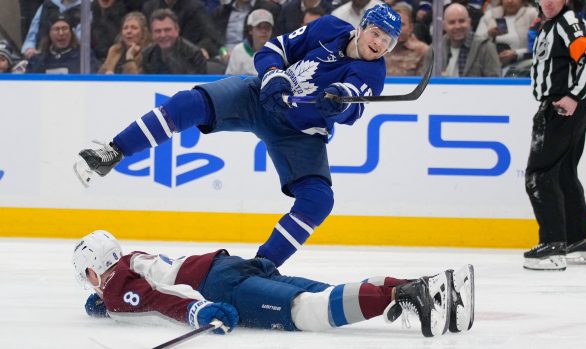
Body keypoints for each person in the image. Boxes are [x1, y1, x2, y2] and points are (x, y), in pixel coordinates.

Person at [74, 5, 411, 268]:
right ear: (362, 25)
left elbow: (353, 105)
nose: (379, 44)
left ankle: (261, 267)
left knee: (319, 200)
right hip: (258, 97)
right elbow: (274, 49)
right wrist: (274, 75)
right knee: (188, 103)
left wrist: (336, 103)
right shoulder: (328, 28)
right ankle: (113, 151)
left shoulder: (373, 71)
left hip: (299, 133)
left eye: (388, 41)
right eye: (377, 33)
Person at [72, 230, 475, 336]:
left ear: (93, 268)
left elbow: (158, 299)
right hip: (232, 265)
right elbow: (145, 288)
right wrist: (106, 305)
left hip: (218, 287)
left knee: (308, 312)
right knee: (323, 292)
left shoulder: (113, 285)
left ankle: (413, 295)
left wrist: (199, 311)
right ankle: (419, 286)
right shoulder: (130, 260)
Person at [524, 0, 586, 271]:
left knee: (539, 174)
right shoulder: (552, 25)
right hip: (562, 106)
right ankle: (578, 241)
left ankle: (553, 246)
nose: (547, 2)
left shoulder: (569, 23)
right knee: (563, 174)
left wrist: (573, 96)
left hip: (562, 107)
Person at [422, 2, 501, 77]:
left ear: (469, 22)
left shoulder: (486, 47)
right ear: (444, 26)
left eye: (461, 21)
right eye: (452, 22)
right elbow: (426, 82)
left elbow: (496, 83)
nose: (457, 26)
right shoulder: (434, 50)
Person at [141, 9, 224, 75]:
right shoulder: (147, 55)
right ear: (151, 34)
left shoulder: (194, 54)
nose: (163, 35)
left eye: (167, 30)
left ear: (177, 30)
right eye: (158, 31)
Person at [475, 0, 538, 71]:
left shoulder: (532, 14)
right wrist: (489, 34)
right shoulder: (489, 15)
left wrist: (516, 54)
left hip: (523, 66)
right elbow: (476, 43)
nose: (510, 1)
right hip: (489, 67)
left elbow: (539, 46)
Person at [26, 14, 100, 74]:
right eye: (56, 29)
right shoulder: (38, 60)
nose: (61, 33)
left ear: (71, 33)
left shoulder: (84, 56)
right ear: (49, 33)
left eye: (65, 28)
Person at [385, 1, 430, 76]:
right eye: (393, 24)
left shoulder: (423, 51)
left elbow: (425, 82)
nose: (397, 29)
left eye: (402, 24)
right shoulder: (379, 48)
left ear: (411, 27)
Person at [225, 9, 275, 75]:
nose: (264, 31)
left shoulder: (277, 52)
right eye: (259, 27)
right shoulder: (238, 50)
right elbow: (229, 79)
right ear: (250, 30)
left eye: (267, 27)